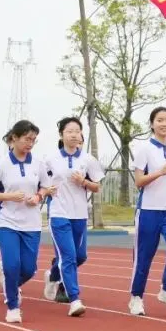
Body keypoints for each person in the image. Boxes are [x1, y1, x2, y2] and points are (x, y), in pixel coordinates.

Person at [0, 120, 54, 324]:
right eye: (26, 139)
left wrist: (38, 197)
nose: (30, 143)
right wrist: (8, 197)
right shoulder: (1, 164)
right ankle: (13, 306)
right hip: (7, 222)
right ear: (14, 137)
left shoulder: (38, 164)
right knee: (12, 266)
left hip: (31, 223)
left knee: (29, 269)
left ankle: (9, 284)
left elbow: (46, 187)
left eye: (33, 140)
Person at [128, 106, 166, 317]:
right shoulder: (144, 149)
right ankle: (136, 297)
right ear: (152, 124)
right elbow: (138, 182)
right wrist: (158, 173)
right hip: (148, 211)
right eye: (160, 120)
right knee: (144, 257)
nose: (164, 124)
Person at [43, 116, 103, 317]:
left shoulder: (88, 160)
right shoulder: (50, 160)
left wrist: (84, 181)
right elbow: (42, 183)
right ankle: (74, 299)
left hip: (80, 214)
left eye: (77, 131)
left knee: (80, 256)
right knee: (68, 257)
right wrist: (46, 190)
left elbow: (97, 187)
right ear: (61, 134)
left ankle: (53, 274)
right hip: (59, 214)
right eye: (69, 131)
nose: (74, 134)